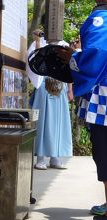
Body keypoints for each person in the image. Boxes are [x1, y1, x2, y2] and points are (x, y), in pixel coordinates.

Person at [56, 1, 107, 218]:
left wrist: (73, 57)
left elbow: (97, 52)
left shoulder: (100, 19)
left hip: (103, 100)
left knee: (104, 152)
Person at [27, 29, 73, 170]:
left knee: (59, 123)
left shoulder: (64, 45)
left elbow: (70, 68)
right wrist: (38, 41)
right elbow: (33, 62)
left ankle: (55, 158)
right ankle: (40, 158)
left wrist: (70, 89)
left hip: (61, 87)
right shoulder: (39, 43)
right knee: (42, 122)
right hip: (43, 86)